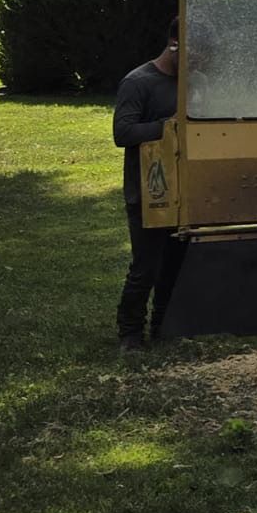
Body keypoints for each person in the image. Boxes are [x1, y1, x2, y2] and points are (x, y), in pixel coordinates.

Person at [114, 23, 183, 351]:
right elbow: (123, 133)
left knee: (176, 262)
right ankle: (130, 332)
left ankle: (164, 326)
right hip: (148, 189)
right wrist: (166, 128)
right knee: (146, 266)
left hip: (185, 190)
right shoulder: (138, 82)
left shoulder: (192, 83)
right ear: (174, 42)